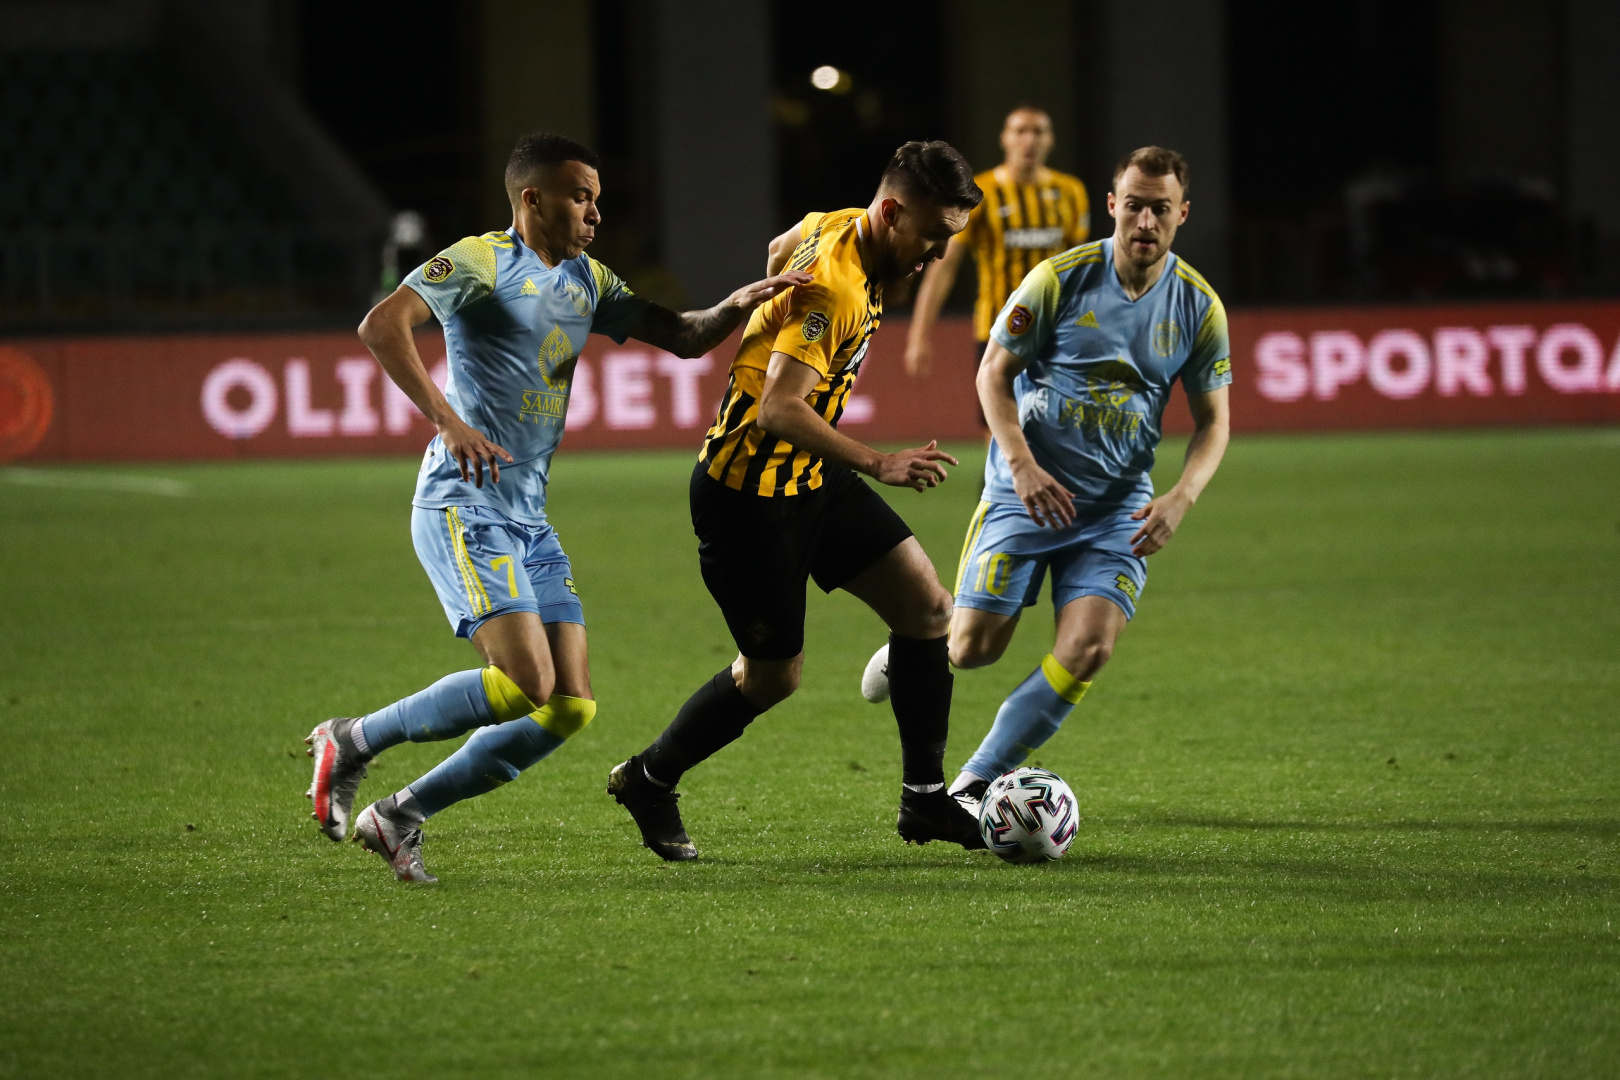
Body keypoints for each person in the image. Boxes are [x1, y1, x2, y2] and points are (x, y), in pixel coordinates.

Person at [304, 132, 809, 882]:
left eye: (598, 199)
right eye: (581, 197)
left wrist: (734, 306)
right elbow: (382, 325)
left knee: (570, 706)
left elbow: (680, 336)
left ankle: (400, 815)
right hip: (464, 502)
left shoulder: (587, 278)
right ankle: (353, 739)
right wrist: (447, 420)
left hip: (529, 516)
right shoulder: (481, 260)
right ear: (532, 199)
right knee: (523, 684)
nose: (595, 213)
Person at [606, 141, 987, 861]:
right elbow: (778, 408)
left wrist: (775, 303)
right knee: (772, 677)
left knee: (927, 609)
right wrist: (880, 462)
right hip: (747, 499)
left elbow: (782, 245)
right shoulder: (835, 291)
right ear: (892, 212)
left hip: (810, 477)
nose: (940, 253)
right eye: (934, 235)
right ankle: (649, 780)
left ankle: (925, 800)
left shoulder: (833, 223)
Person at [863, 146, 1231, 815]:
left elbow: (1214, 423)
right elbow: (992, 374)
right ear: (1112, 204)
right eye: (1134, 205)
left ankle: (976, 781)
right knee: (971, 650)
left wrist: (1181, 497)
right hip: (1023, 494)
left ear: (1183, 213)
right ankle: (914, 647)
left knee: (1089, 648)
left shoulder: (1198, 307)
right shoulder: (1060, 279)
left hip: (1118, 510)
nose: (1145, 221)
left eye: (1161, 208)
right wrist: (1023, 466)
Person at [903, 106, 1090, 412]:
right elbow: (944, 267)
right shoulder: (980, 194)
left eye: (1038, 132)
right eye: (1020, 131)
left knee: (1057, 427)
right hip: (997, 330)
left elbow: (1079, 269)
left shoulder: (1071, 191)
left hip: (1056, 331)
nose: (1029, 140)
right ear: (1004, 138)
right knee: (998, 427)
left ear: (1051, 140)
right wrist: (919, 334)